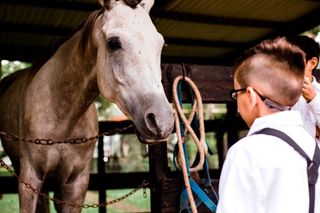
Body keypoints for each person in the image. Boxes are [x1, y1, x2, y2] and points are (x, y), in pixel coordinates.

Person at [216, 37, 319, 213]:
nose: (237, 105)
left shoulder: (245, 153)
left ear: (250, 95)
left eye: (236, 94)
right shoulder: (311, 145)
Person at [287, 35, 320, 142]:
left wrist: (314, 100)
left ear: (313, 63)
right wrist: (314, 130)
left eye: (295, 60)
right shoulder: (276, 92)